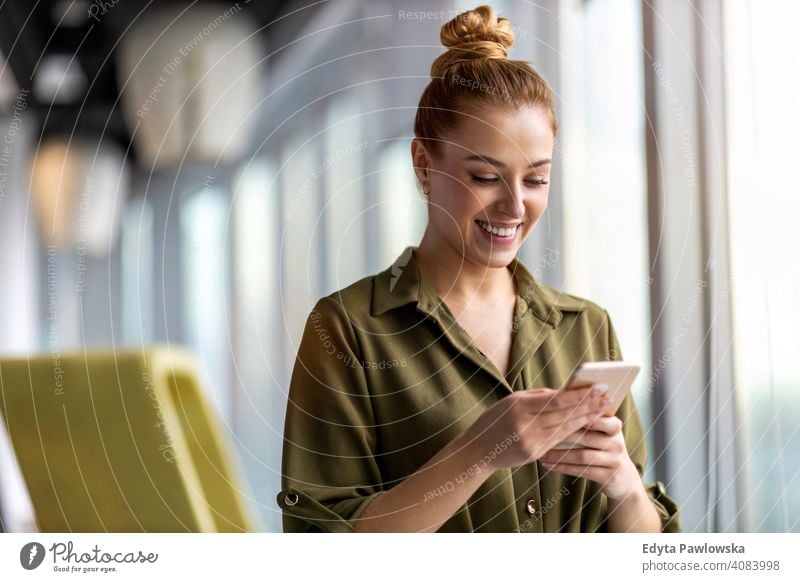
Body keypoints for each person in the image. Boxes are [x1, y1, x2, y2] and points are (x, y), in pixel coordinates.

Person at [277, 4, 681, 533]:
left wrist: (625, 486)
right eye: (486, 176)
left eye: (536, 180)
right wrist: (481, 450)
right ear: (424, 163)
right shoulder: (347, 331)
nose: (515, 207)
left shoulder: (586, 328)